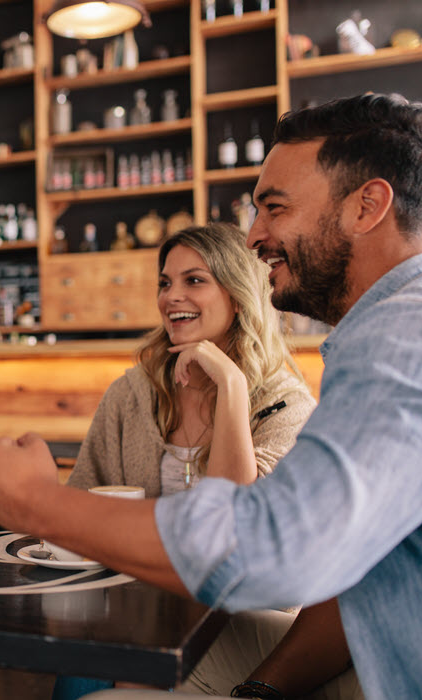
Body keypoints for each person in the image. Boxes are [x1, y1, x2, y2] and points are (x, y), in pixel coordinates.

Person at [0, 92, 422, 700]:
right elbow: (356, 573)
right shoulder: (395, 326)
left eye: (275, 208)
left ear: (367, 206)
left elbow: (272, 552)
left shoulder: (407, 335)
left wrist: (34, 502)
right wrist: (261, 690)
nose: (255, 235)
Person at [55, 223, 315, 700]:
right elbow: (79, 502)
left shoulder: (287, 407)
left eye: (194, 280)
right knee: (82, 659)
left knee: (104, 664)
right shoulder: (132, 393)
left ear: (238, 294)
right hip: (139, 604)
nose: (172, 296)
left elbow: (235, 523)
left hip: (244, 619)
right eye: (165, 282)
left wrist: (231, 385)